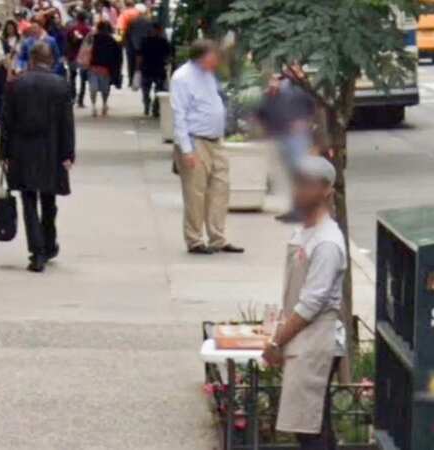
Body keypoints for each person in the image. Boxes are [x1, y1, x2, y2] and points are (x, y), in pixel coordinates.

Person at [261, 156, 346, 450]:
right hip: (303, 340)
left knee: (311, 427)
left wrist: (276, 342)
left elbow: (311, 304)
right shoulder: (305, 231)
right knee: (308, 425)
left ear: (324, 191)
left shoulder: (327, 243)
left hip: (316, 342)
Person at [0, 42, 75, 273]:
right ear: (50, 60)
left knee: (28, 200)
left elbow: (6, 123)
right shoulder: (60, 85)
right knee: (49, 200)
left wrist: (3, 152)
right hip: (51, 151)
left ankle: (37, 251)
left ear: (30, 59)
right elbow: (66, 124)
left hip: (23, 152)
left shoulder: (15, 85)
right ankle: (49, 242)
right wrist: (68, 153)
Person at [170, 40, 243, 255]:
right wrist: (186, 150)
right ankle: (194, 239)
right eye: (214, 57)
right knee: (195, 193)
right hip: (195, 140)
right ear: (201, 56)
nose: (217, 61)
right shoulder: (182, 78)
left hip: (215, 140)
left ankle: (217, 237)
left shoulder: (209, 74)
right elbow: (179, 115)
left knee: (220, 188)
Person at [258, 74, 316, 223]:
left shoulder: (302, 86)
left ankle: (305, 210)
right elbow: (263, 110)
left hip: (297, 137)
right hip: (281, 135)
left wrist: (305, 121)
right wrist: (270, 94)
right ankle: (296, 209)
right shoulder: (278, 87)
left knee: (301, 173)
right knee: (291, 175)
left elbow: (313, 105)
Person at [87, 21, 121, 117]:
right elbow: (117, 57)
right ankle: (104, 104)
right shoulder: (112, 40)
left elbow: (85, 50)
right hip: (105, 69)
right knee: (105, 89)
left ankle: (94, 106)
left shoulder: (92, 38)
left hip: (93, 67)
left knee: (93, 89)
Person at [138, 21, 170, 117]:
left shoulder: (145, 41)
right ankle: (154, 107)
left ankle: (149, 105)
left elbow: (139, 56)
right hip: (157, 69)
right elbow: (168, 56)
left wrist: (138, 67)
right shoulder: (163, 42)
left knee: (147, 90)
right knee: (157, 90)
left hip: (149, 69)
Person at [65, 10, 91, 107]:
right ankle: (81, 99)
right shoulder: (88, 30)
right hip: (84, 57)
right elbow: (90, 44)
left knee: (72, 77)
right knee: (83, 79)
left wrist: (66, 55)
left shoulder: (71, 29)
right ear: (85, 19)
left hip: (72, 56)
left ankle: (72, 97)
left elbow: (67, 42)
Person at [117, 0, 141, 84]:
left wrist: (119, 41)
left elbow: (121, 28)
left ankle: (131, 80)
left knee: (130, 60)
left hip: (129, 39)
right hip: (141, 39)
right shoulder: (139, 13)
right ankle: (139, 78)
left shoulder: (124, 14)